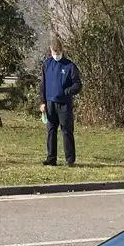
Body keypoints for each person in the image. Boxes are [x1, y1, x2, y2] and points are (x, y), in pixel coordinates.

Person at [40, 39, 81, 167]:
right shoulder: (47, 64)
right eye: (53, 52)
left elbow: (78, 84)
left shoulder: (69, 66)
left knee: (66, 131)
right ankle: (51, 158)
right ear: (50, 51)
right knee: (51, 131)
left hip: (64, 104)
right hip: (50, 103)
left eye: (58, 52)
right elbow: (43, 84)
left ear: (62, 51)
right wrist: (42, 101)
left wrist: (68, 91)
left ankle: (70, 160)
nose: (55, 54)